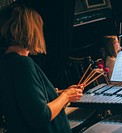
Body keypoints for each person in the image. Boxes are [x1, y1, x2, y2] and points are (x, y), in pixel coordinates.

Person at [0, 3, 83, 133]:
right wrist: (66, 96)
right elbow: (40, 116)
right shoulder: (22, 64)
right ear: (30, 31)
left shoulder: (6, 62)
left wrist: (56, 94)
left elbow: (24, 104)